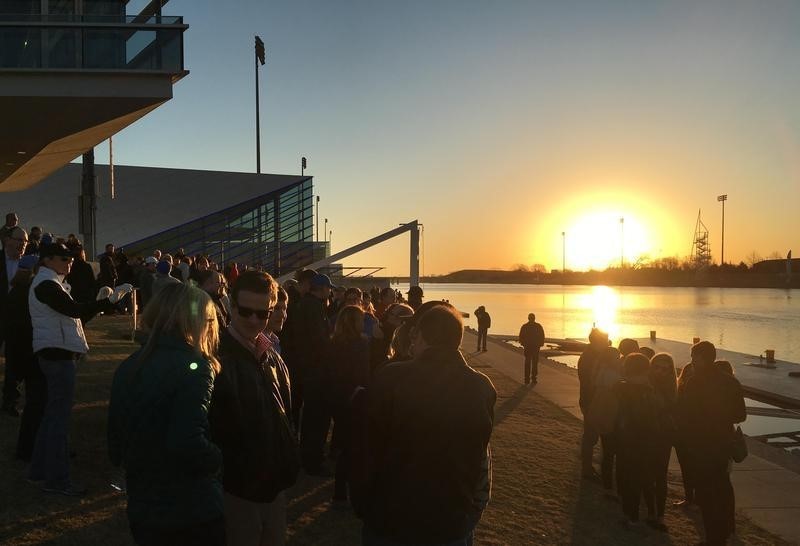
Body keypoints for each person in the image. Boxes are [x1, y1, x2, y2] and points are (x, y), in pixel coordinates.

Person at [362, 304, 496, 545]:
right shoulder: (482, 388)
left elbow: (366, 451)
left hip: (391, 519)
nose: (411, 343)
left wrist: (365, 506)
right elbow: (481, 461)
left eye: (414, 337)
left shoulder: (390, 378)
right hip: (451, 519)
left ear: (422, 337)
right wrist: (470, 515)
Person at [108, 283, 224, 545]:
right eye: (208, 320)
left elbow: (115, 444)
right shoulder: (196, 366)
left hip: (143, 504)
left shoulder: (129, 366)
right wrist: (217, 458)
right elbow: (187, 441)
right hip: (191, 507)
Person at [209, 270, 299, 546]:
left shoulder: (272, 356)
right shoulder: (214, 358)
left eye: (261, 314)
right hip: (237, 489)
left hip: (272, 486)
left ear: (271, 311)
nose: (252, 320)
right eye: (245, 311)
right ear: (231, 306)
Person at [29, 243, 118, 495]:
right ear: (47, 260)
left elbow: (75, 316)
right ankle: (57, 479)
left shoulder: (51, 283)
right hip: (57, 355)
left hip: (57, 352)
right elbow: (74, 310)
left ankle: (38, 472)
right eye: (63, 258)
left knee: (52, 416)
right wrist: (104, 302)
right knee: (58, 419)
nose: (69, 263)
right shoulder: (46, 284)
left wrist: (103, 303)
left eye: (70, 259)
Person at [676, 341, 746, 546]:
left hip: (701, 445)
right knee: (722, 488)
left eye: (693, 357)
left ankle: (713, 537)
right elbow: (741, 415)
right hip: (723, 444)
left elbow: (685, 414)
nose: (691, 361)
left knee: (705, 492)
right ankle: (724, 532)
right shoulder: (731, 382)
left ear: (700, 357)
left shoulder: (695, 382)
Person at [327, 305, 370, 506]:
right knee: (356, 446)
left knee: (345, 444)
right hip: (356, 397)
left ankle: (339, 492)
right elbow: (363, 373)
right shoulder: (360, 345)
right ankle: (349, 491)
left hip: (337, 398)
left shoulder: (333, 343)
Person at [296, 273, 334, 475]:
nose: (330, 292)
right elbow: (320, 339)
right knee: (317, 418)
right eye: (329, 288)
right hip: (317, 370)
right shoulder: (315, 307)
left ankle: (309, 457)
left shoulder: (306, 305)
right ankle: (313, 460)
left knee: (312, 417)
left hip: (310, 369)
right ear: (322, 289)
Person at [614, 353, 659, 527]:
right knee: (645, 478)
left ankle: (630, 514)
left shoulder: (621, 388)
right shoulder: (650, 391)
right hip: (648, 440)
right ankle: (650, 512)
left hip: (627, 439)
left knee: (628, 478)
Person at [4, 255, 41, 459]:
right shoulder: (27, 294)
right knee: (36, 402)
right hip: (28, 351)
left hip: (19, 349)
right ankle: (27, 448)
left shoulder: (16, 291)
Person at [648, 352, 678, 532]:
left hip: (663, 436)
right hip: (646, 434)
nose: (660, 371)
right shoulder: (646, 384)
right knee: (647, 474)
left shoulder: (672, 389)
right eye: (657, 367)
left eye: (665, 369)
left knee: (660, 475)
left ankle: (659, 515)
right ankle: (651, 511)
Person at [1, 226, 28, 415]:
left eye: (25, 241)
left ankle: (10, 402)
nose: (22, 244)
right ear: (6, 240)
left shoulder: (29, 265)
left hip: (17, 321)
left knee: (15, 363)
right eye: (19, 240)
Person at [578, 327, 608, 479]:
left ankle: (588, 467)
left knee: (590, 436)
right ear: (598, 342)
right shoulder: (591, 358)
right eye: (605, 340)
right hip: (592, 401)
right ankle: (587, 469)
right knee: (590, 436)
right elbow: (592, 381)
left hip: (590, 400)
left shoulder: (590, 355)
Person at [518, 313, 545, 385]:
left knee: (527, 362)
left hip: (528, 347)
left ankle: (527, 378)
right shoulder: (538, 326)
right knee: (534, 363)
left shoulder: (525, 326)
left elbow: (521, 337)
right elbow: (542, 336)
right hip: (535, 347)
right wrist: (541, 344)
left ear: (528, 318)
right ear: (534, 318)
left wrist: (523, 343)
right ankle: (534, 378)